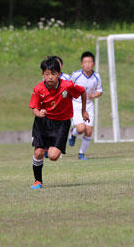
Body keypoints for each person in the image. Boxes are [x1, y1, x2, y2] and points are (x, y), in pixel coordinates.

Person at [29, 57, 89, 189]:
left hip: (61, 124)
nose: (50, 77)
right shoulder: (38, 89)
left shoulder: (67, 86)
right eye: (47, 74)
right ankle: (37, 181)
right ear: (43, 74)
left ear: (59, 74)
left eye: (53, 74)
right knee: (38, 152)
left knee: (53, 156)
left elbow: (83, 92)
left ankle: (49, 147)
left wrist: (84, 111)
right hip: (43, 123)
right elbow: (34, 108)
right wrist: (39, 113)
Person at [68, 51, 103, 160]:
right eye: (85, 62)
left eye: (90, 62)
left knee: (88, 131)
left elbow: (100, 91)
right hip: (77, 104)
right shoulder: (76, 75)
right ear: (82, 64)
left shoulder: (96, 76)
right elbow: (67, 86)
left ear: (93, 63)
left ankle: (81, 154)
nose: (87, 64)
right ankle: (73, 134)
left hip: (89, 105)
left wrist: (92, 96)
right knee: (81, 128)